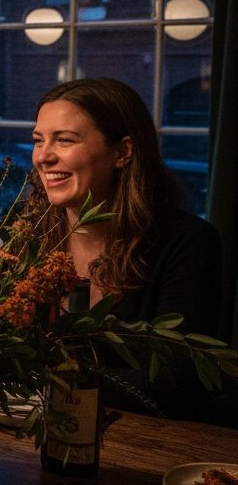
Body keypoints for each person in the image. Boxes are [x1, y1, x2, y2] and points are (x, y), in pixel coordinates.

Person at [29, 77, 226, 421]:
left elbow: (175, 383)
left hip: (150, 449)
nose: (43, 156)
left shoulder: (187, 244)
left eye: (64, 140)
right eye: (38, 140)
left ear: (122, 152)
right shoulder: (30, 237)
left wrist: (38, 377)